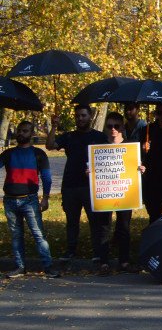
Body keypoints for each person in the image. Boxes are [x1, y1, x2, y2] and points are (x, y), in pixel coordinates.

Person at [46, 105, 111, 273]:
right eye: (77, 116)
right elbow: (50, 145)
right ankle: (70, 250)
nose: (79, 119)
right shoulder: (68, 136)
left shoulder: (99, 137)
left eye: (83, 115)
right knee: (72, 221)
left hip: (92, 186)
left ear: (91, 116)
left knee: (95, 221)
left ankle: (97, 252)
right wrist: (54, 126)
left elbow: (114, 155)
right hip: (70, 186)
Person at [1, 121, 60, 278]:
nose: (21, 133)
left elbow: (46, 178)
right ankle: (20, 266)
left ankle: (48, 267)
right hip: (10, 200)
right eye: (19, 130)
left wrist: (45, 198)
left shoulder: (38, 154)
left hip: (30, 200)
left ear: (31, 134)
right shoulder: (8, 153)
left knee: (38, 234)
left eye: (25, 131)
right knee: (16, 235)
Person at [102, 112, 144, 273]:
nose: (113, 129)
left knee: (124, 226)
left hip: (124, 191)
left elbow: (138, 166)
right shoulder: (99, 147)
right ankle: (104, 263)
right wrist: (90, 172)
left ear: (123, 127)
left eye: (116, 126)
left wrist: (141, 169)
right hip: (105, 191)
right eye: (109, 126)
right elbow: (92, 167)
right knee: (104, 227)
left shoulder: (131, 146)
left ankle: (124, 262)